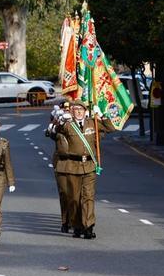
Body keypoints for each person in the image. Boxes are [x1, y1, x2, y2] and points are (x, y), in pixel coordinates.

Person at [55, 99, 116, 239]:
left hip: (89, 165)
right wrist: (60, 119)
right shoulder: (68, 125)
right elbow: (55, 132)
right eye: (76, 110)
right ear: (72, 111)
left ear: (85, 111)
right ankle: (77, 226)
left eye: (81, 110)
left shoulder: (92, 123)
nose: (79, 112)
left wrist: (102, 115)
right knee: (74, 199)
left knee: (88, 197)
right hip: (72, 166)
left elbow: (111, 129)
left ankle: (88, 226)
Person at [46, 104, 72, 233]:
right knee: (64, 193)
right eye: (66, 110)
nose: (68, 112)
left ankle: (77, 219)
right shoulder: (59, 123)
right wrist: (56, 122)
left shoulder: (81, 124)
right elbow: (50, 133)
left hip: (78, 163)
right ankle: (66, 221)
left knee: (78, 194)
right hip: (61, 161)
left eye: (70, 109)